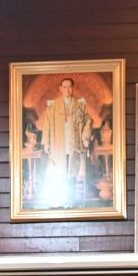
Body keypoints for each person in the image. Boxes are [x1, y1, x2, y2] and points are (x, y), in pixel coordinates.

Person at [40, 76, 94, 206]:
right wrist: (46, 142)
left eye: (70, 87)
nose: (67, 89)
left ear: (73, 88)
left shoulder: (79, 105)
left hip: (73, 144)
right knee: (59, 173)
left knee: (72, 173)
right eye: (65, 87)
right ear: (60, 89)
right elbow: (47, 124)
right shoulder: (53, 106)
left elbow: (88, 121)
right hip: (58, 144)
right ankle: (59, 202)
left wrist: (85, 137)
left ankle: (71, 202)